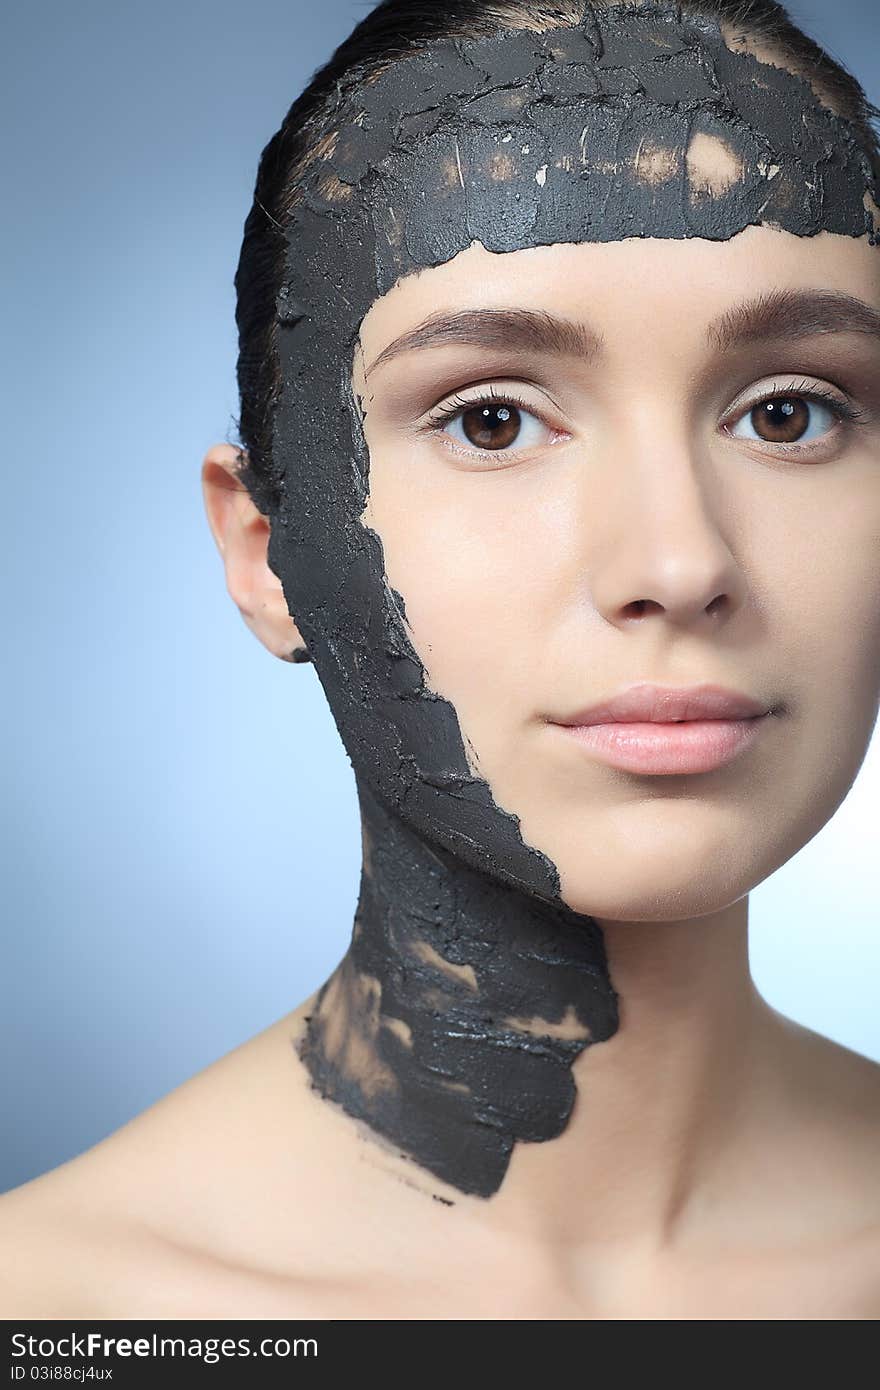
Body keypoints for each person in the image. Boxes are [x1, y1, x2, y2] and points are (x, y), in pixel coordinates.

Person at [2, 0, 880, 1320]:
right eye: (491, 418)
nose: (679, 559)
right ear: (266, 553)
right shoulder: (65, 1316)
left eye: (787, 411)